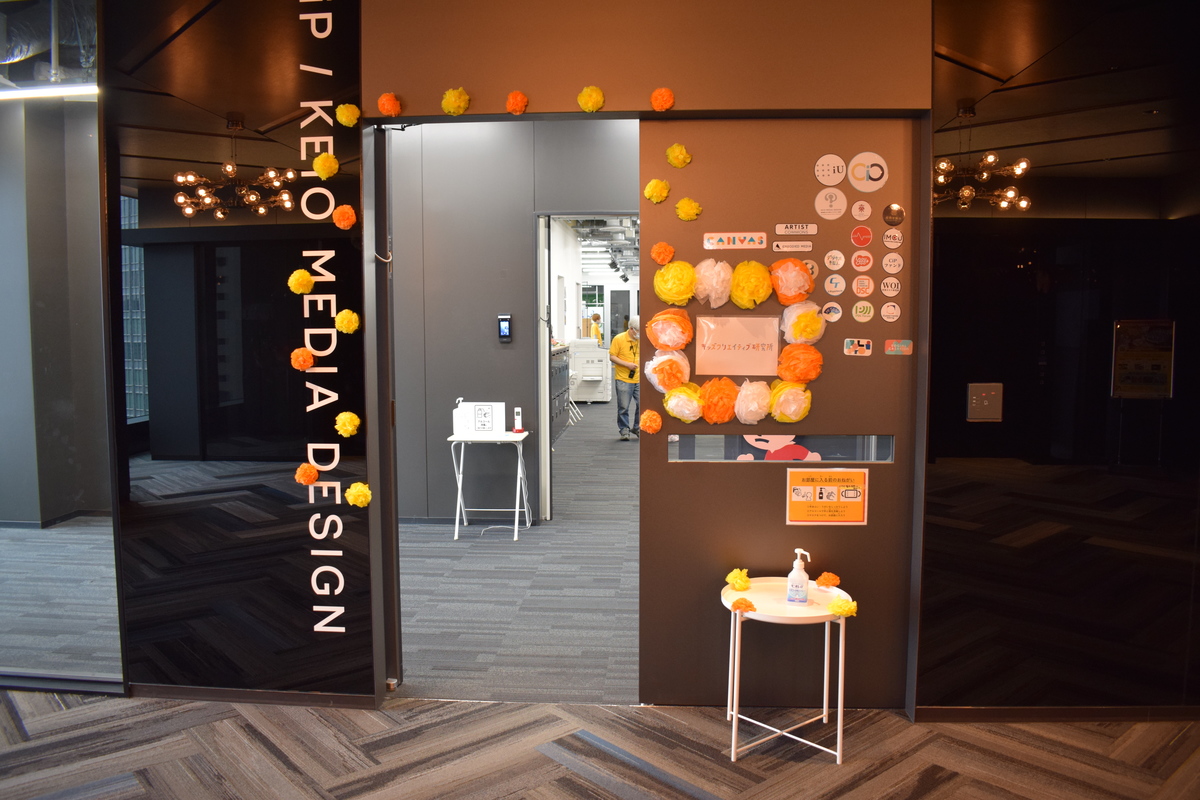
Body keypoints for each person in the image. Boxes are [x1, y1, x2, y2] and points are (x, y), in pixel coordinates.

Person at [608, 315, 640, 440]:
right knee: (623, 406)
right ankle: (624, 430)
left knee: (642, 405)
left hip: (640, 378)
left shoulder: (642, 339)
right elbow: (612, 357)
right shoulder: (619, 339)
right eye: (638, 330)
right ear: (631, 329)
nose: (640, 333)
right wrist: (627, 364)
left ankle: (637, 427)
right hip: (623, 378)